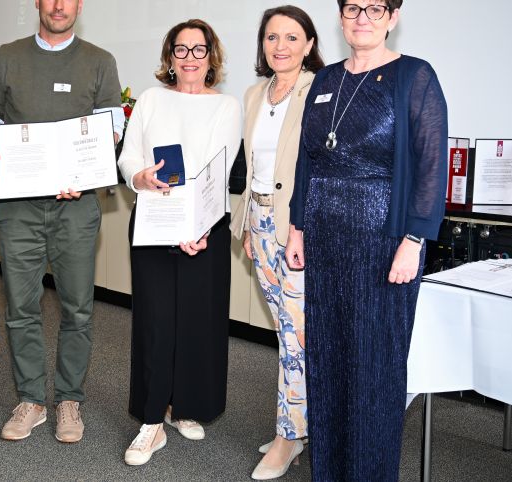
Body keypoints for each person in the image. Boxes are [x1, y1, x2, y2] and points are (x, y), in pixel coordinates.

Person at [286, 1, 447, 479]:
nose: (362, 18)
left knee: (374, 370)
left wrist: (414, 240)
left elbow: (431, 165)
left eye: (375, 8)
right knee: (329, 362)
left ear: (393, 17)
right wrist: (297, 225)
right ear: (340, 16)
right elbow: (306, 158)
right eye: (353, 7)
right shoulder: (326, 79)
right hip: (325, 239)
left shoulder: (414, 77)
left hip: (383, 243)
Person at [0, 0, 123, 443]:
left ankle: (68, 399)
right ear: (38, 3)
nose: (59, 5)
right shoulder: (7, 56)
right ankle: (30, 399)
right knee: (21, 307)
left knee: (77, 308)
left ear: (79, 5)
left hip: (75, 207)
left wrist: (81, 176)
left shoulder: (101, 61)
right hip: (19, 206)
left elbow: (109, 133)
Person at [117, 19, 242, 466]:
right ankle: (151, 420)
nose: (190, 58)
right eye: (181, 49)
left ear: (212, 57)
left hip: (203, 225)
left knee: (196, 319)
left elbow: (218, 168)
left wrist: (200, 227)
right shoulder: (151, 100)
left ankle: (183, 406)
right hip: (154, 219)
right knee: (155, 318)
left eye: (199, 49)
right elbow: (130, 154)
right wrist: (139, 175)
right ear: (170, 57)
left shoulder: (226, 106)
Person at [228, 5, 323, 480]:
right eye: (271, 37)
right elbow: (248, 168)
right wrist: (247, 224)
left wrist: (299, 229)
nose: (280, 46)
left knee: (298, 335)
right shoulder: (252, 93)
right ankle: (299, 426)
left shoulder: (320, 92)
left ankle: (290, 436)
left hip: (297, 230)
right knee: (287, 333)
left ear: (309, 44)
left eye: (291, 37)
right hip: (259, 223)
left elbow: (316, 170)